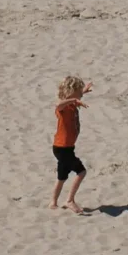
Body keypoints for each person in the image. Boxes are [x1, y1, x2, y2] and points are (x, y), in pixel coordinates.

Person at [49, 76, 90, 212]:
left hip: (66, 148)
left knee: (62, 177)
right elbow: (59, 105)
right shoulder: (64, 108)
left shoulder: (72, 103)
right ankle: (69, 200)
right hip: (62, 148)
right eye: (78, 92)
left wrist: (84, 90)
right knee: (81, 172)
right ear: (71, 93)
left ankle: (53, 202)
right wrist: (73, 99)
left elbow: (76, 95)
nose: (80, 95)